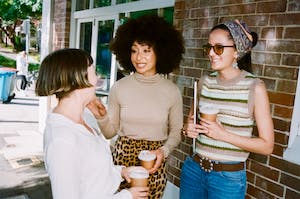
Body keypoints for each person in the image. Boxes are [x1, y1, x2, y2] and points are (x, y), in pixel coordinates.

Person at [87, 15, 185, 199]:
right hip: (122, 162)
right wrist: (100, 116)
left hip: (154, 163)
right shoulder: (119, 88)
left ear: (161, 52)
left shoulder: (171, 91)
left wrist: (163, 152)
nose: (139, 57)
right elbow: (110, 133)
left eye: (146, 51)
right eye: (134, 51)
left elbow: (176, 132)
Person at [35, 48, 149, 199]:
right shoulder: (61, 140)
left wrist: (120, 171)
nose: (97, 77)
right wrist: (127, 196)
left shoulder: (86, 118)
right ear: (77, 78)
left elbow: (90, 171)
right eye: (93, 71)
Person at [179, 19, 274, 199]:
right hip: (194, 170)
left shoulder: (254, 87)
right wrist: (187, 129)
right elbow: (189, 122)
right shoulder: (204, 82)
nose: (212, 54)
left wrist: (223, 135)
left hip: (228, 179)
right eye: (209, 48)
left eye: (219, 48)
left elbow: (267, 146)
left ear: (236, 51)